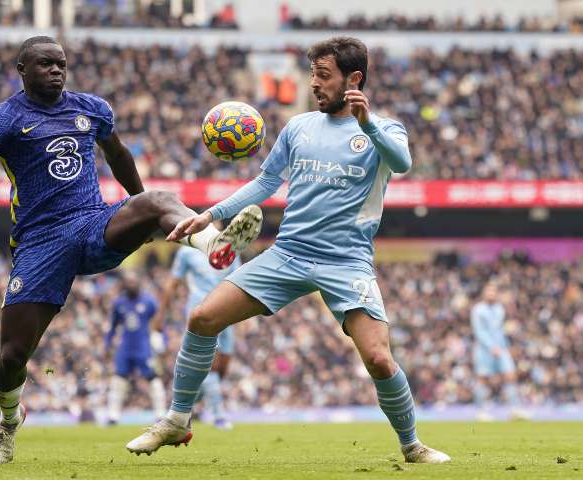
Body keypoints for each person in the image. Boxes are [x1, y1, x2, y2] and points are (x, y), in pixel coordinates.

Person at [0, 35, 263, 464]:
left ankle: (212, 242)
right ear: (22, 69)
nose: (56, 71)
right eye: (46, 64)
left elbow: (119, 155)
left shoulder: (91, 108)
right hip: (40, 242)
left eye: (61, 64)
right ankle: (9, 421)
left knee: (159, 198)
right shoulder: (3, 118)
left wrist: (144, 215)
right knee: (11, 358)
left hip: (93, 223)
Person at [127, 36, 450, 464]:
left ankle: (412, 446)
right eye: (312, 74)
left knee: (378, 358)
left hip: (346, 260)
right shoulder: (298, 127)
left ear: (353, 79)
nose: (313, 84)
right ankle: (176, 421)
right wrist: (210, 215)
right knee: (203, 317)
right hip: (289, 253)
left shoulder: (385, 128)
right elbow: (265, 183)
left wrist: (367, 122)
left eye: (323, 75)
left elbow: (403, 162)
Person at [151, 240, 241, 429]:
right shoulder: (187, 252)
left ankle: (182, 408)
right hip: (201, 311)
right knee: (209, 366)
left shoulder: (232, 249)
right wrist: (160, 314)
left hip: (228, 311)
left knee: (222, 368)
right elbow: (173, 283)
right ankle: (219, 416)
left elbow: (240, 280)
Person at [104, 271, 166, 424]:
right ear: (124, 284)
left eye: (134, 281)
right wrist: (107, 343)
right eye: (128, 282)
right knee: (118, 381)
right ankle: (113, 416)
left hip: (143, 348)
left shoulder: (149, 302)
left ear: (139, 283)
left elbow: (159, 323)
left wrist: (162, 339)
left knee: (153, 379)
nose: (131, 284)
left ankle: (160, 414)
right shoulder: (119, 303)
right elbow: (113, 326)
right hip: (125, 348)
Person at [471, 282, 525, 419]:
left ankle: (514, 410)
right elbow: (479, 331)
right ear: (484, 293)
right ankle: (481, 412)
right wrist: (490, 346)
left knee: (510, 376)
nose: (491, 294)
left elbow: (499, 331)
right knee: (483, 379)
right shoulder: (478, 310)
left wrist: (506, 347)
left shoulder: (500, 309)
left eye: (493, 291)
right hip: (484, 350)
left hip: (501, 349)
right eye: (489, 291)